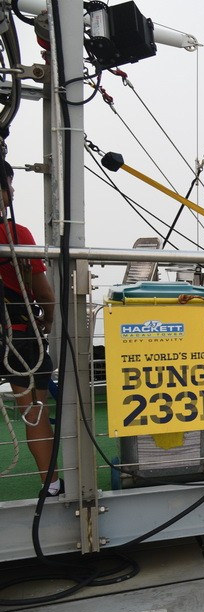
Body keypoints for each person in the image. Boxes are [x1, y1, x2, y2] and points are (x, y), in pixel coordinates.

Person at [0, 161, 61, 496]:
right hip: (19, 334)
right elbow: (44, 293)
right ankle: (51, 485)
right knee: (35, 411)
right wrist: (48, 321)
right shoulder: (16, 234)